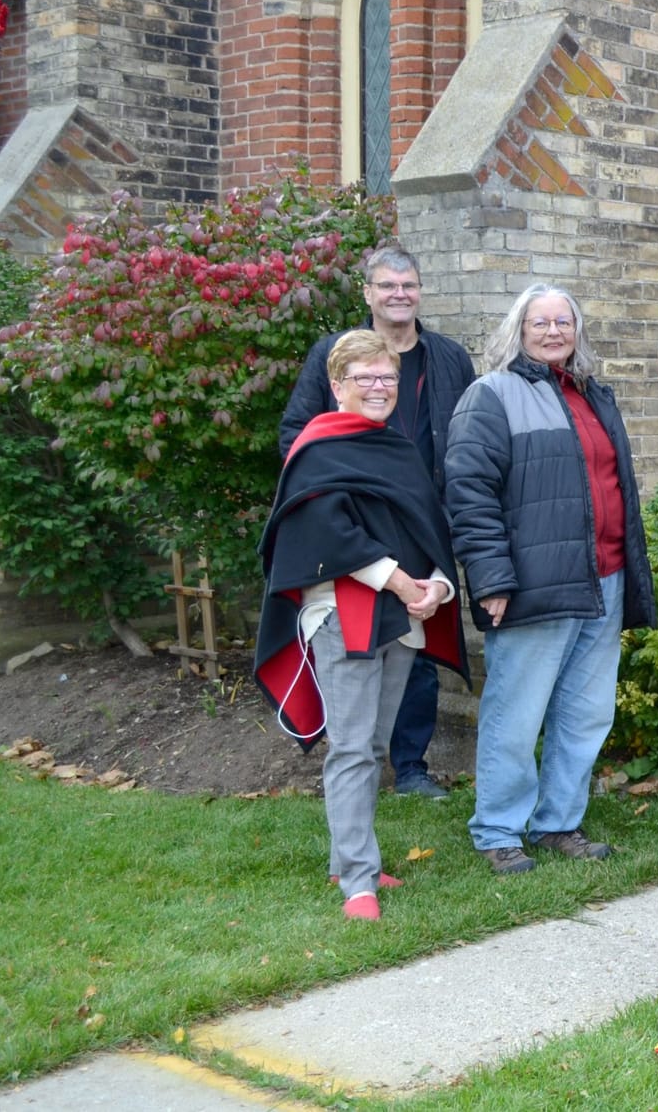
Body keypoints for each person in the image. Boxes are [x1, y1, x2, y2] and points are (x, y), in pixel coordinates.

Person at [446, 284, 656, 876]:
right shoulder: (491, 395)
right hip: (533, 585)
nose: (553, 331)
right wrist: (490, 579)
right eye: (540, 322)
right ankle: (498, 831)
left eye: (564, 321)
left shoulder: (594, 395)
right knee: (516, 713)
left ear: (578, 331)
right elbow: (469, 495)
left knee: (586, 713)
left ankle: (559, 822)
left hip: (603, 579)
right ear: (518, 329)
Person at [254, 330, 462, 921]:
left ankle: (349, 860)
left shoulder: (395, 448)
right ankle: (358, 882)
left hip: (400, 620)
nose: (378, 387)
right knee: (350, 748)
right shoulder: (318, 449)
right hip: (344, 616)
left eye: (388, 377)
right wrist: (400, 582)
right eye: (365, 378)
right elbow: (328, 536)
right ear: (337, 385)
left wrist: (438, 586)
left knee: (374, 745)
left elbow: (429, 529)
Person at [279, 244, 475, 800]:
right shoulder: (335, 355)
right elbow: (298, 433)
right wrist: (334, 487)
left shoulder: (448, 358)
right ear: (367, 293)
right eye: (387, 286)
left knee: (419, 644)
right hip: (359, 527)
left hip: (424, 520)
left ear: (419, 291)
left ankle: (410, 765)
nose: (399, 294)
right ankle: (360, 763)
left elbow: (465, 435)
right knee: (369, 641)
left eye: (408, 285)